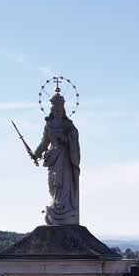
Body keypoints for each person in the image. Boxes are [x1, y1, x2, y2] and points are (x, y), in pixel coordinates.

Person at [31, 87, 81, 225]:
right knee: (53, 184)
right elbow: (44, 142)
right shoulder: (49, 125)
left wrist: (66, 137)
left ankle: (62, 208)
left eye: (60, 106)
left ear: (63, 107)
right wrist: (36, 154)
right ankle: (55, 206)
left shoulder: (68, 124)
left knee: (63, 183)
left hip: (65, 158)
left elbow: (74, 137)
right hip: (53, 157)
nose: (58, 109)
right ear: (52, 107)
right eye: (55, 106)